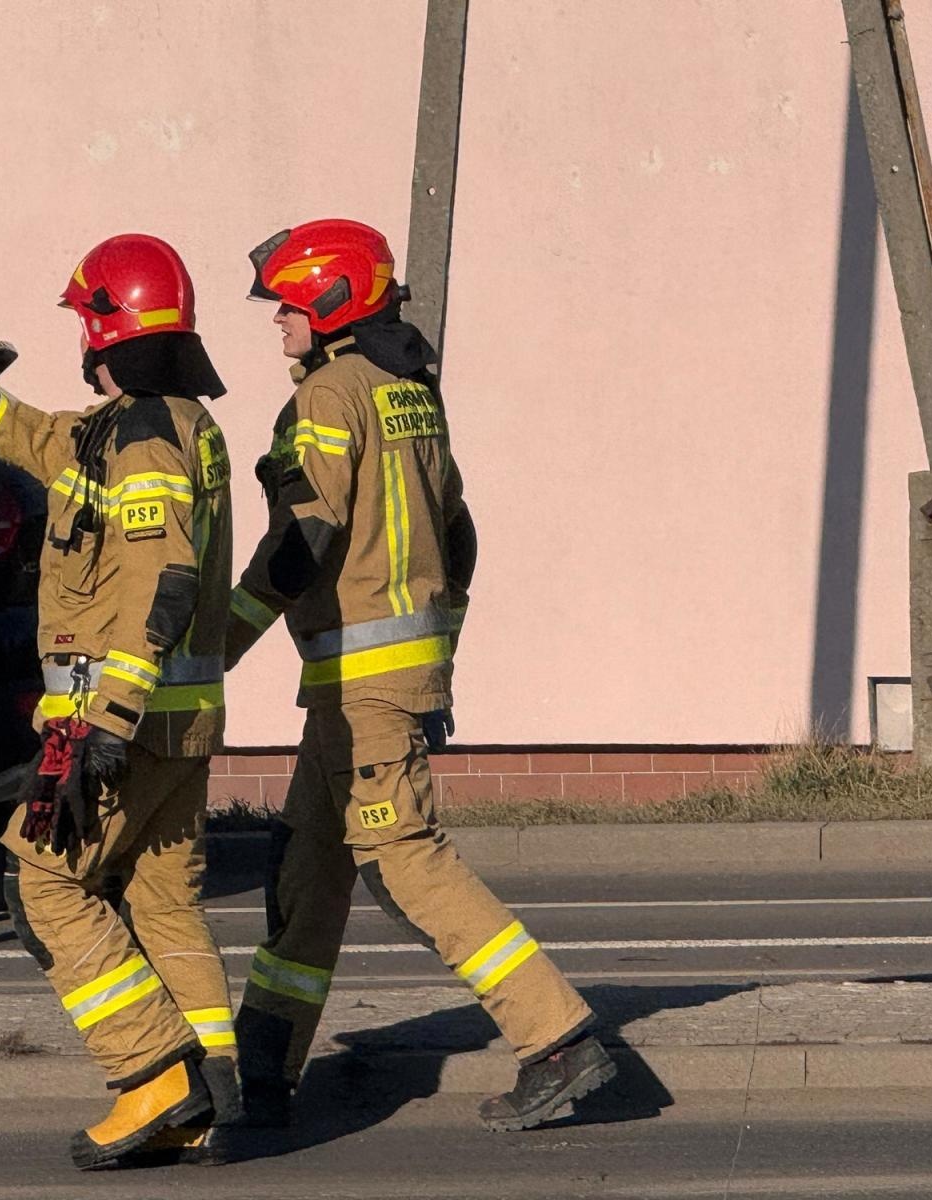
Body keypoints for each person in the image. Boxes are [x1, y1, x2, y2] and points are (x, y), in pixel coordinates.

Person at [222, 218, 615, 1133]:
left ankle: (557, 1039)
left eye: (287, 299)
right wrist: (438, 649)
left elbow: (302, 540)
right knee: (310, 868)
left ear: (329, 299)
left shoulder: (327, 395)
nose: (277, 316)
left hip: (363, 678)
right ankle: (266, 1063)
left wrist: (217, 644)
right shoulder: (410, 392)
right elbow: (459, 533)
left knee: (405, 859)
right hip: (365, 679)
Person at [0, 235, 240, 1169]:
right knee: (160, 900)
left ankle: (154, 1078)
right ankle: (215, 1091)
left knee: (41, 889)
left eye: (85, 320)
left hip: (117, 723)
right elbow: (35, 437)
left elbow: (161, 577)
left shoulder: (146, 436)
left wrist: (106, 719)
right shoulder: (140, 426)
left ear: (107, 326)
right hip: (176, 724)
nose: (79, 336)